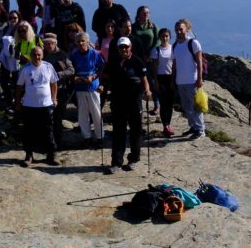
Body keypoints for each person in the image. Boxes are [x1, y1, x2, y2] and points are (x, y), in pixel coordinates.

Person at [99, 37, 151, 173]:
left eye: (126, 47)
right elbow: (106, 79)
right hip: (118, 101)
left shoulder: (137, 61)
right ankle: (116, 162)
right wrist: (102, 88)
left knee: (135, 131)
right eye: (121, 47)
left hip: (134, 101)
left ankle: (134, 159)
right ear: (118, 49)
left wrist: (147, 90)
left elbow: (144, 79)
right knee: (118, 132)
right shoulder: (112, 63)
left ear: (130, 47)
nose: (124, 50)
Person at [14, 46, 59, 166]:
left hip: (46, 104)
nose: (37, 57)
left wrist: (54, 98)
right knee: (29, 131)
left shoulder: (48, 67)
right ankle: (29, 155)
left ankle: (52, 154)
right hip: (29, 105)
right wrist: (18, 102)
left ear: (42, 55)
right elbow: (19, 87)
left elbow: (54, 83)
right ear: (30, 56)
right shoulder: (25, 69)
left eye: (39, 54)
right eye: (34, 54)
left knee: (48, 130)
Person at [172, 18, 205, 139]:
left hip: (192, 80)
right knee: (187, 107)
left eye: (181, 29)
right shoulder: (175, 45)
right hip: (181, 81)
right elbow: (175, 64)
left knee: (196, 106)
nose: (179, 32)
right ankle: (193, 126)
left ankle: (200, 130)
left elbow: (199, 61)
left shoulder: (193, 43)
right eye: (177, 30)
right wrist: (173, 79)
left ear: (187, 29)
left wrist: (200, 78)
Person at [70, 32, 105, 146]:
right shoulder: (74, 55)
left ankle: (100, 137)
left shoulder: (94, 53)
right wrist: (73, 77)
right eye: (78, 41)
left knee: (96, 113)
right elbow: (71, 69)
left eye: (82, 41)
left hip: (92, 87)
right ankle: (87, 137)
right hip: (80, 88)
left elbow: (102, 67)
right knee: (82, 114)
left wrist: (93, 77)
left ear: (87, 42)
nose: (80, 43)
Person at [42, 34, 74, 143]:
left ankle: (58, 141)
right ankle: (47, 140)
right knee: (46, 117)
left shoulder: (63, 55)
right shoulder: (41, 54)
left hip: (60, 90)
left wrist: (57, 75)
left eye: (50, 43)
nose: (48, 46)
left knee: (57, 116)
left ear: (55, 43)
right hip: (44, 91)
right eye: (45, 44)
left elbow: (71, 70)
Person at [151, 28, 176, 137]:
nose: (164, 38)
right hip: (160, 78)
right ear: (159, 37)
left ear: (170, 37)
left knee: (169, 103)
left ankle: (168, 124)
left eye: (166, 36)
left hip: (170, 77)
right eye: (162, 36)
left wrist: (173, 80)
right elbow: (155, 67)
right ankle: (165, 125)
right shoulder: (156, 50)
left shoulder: (173, 49)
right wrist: (156, 82)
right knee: (163, 103)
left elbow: (174, 65)